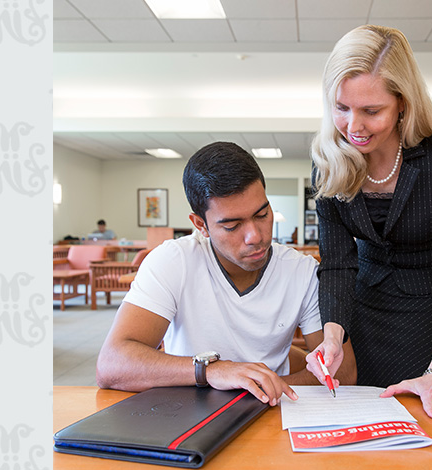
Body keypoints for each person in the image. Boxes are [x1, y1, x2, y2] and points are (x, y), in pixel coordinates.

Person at [304, 25, 432, 421]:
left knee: (425, 424)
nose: (354, 126)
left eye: (371, 111)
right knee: (363, 421)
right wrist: (333, 335)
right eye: (341, 108)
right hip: (363, 308)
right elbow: (337, 262)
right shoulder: (328, 160)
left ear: (403, 102)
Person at [97, 142, 356, 406]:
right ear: (201, 225)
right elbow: (111, 365)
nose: (255, 236)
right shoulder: (174, 261)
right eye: (232, 226)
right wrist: (212, 370)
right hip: (186, 412)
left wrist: (258, 387)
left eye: (262, 214)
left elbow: (344, 373)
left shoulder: (301, 271)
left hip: (270, 412)